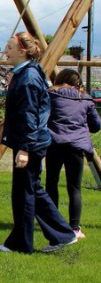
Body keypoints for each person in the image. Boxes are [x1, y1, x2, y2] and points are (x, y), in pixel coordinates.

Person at [0, 32, 77, 254]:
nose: (5, 52)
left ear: (22, 52)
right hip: (32, 141)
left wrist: (24, 150)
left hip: (30, 143)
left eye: (10, 48)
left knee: (24, 195)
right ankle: (63, 235)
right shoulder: (27, 73)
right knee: (32, 190)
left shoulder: (28, 77)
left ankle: (21, 244)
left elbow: (30, 116)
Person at [45, 69, 101, 239]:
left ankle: (52, 223)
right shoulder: (84, 98)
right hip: (76, 146)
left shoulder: (50, 95)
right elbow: (96, 125)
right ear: (78, 83)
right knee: (74, 188)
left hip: (54, 143)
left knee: (51, 183)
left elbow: (43, 116)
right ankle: (75, 227)